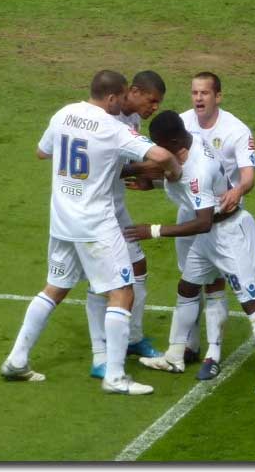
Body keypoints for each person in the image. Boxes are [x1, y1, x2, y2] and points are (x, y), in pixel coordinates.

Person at [0, 70, 182, 395]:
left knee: (55, 288)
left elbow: (42, 152)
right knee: (122, 292)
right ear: (112, 98)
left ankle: (17, 359)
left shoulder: (64, 113)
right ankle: (114, 376)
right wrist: (175, 171)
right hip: (96, 223)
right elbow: (162, 155)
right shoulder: (112, 128)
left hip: (62, 219)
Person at [123, 110, 255, 395]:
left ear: (175, 142)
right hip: (209, 235)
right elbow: (173, 174)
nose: (157, 151)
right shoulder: (191, 141)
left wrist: (154, 230)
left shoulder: (199, 169)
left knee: (250, 301)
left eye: (160, 145)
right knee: (187, 287)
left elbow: (202, 221)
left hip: (230, 234)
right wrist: (148, 179)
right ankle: (175, 355)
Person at [85, 70, 167, 380]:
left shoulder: (131, 121)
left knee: (138, 266)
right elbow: (109, 170)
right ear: (132, 92)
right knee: (100, 281)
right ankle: (101, 354)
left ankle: (132, 338)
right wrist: (157, 166)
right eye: (151, 100)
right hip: (97, 211)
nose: (153, 107)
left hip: (115, 208)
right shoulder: (109, 120)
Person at [178, 72, 255, 380]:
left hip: (220, 222)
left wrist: (237, 191)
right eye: (194, 92)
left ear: (218, 97)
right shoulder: (182, 124)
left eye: (205, 93)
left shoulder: (236, 130)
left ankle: (213, 353)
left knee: (213, 284)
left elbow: (248, 175)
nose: (198, 98)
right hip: (189, 215)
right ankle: (188, 345)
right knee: (188, 282)